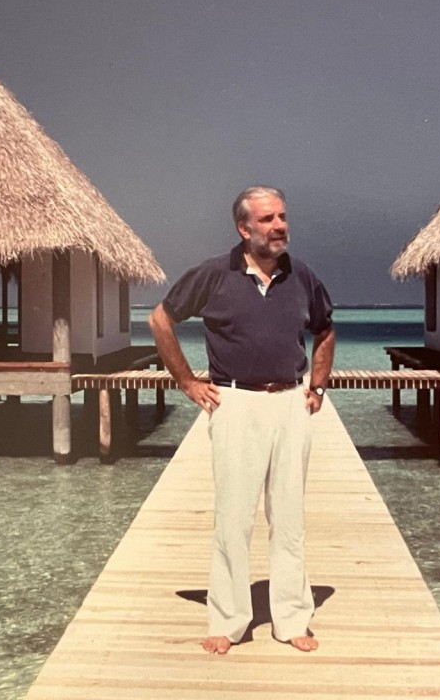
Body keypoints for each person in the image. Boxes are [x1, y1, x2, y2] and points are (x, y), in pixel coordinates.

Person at [149, 185, 335, 655]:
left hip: (290, 402)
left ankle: (292, 619)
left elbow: (325, 328)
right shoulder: (214, 274)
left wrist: (317, 387)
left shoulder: (301, 275)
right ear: (243, 228)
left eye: (282, 217)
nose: (279, 226)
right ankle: (229, 621)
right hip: (234, 404)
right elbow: (160, 320)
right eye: (268, 219)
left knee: (288, 518)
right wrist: (187, 381)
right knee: (234, 518)